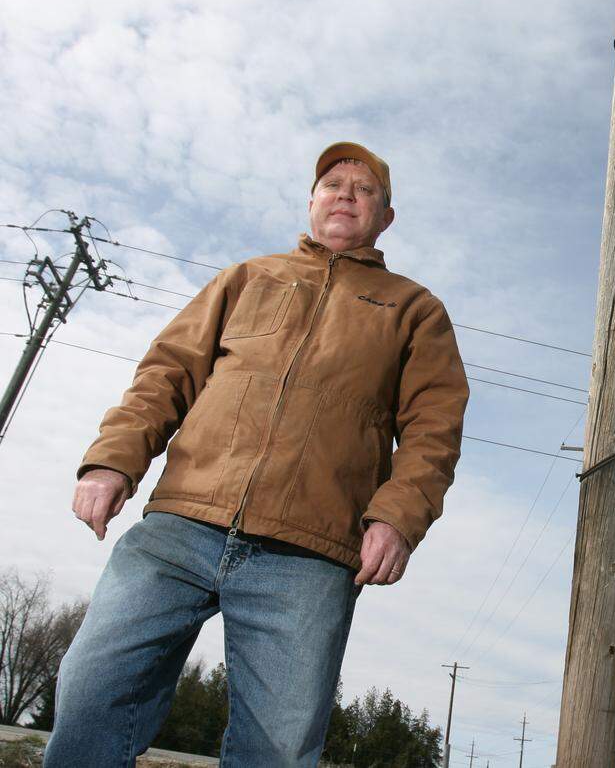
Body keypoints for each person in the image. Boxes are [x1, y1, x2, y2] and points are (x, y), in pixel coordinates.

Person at [44, 142, 470, 767]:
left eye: (364, 188)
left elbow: (435, 426)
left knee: (278, 748)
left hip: (309, 554)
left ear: (386, 217)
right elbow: (167, 373)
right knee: (92, 689)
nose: (345, 193)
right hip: (180, 526)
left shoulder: (414, 309)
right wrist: (113, 459)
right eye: (332, 182)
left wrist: (398, 516)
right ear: (312, 201)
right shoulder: (250, 277)